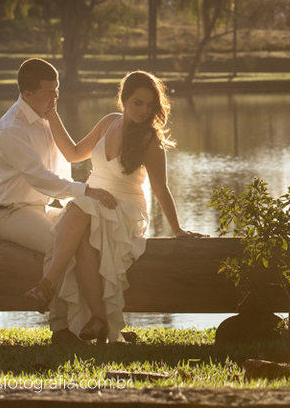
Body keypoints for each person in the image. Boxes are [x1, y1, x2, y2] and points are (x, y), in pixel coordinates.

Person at [22, 70, 201, 344]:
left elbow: (160, 188)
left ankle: (48, 283)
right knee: (81, 234)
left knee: (79, 207)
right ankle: (98, 319)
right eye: (137, 103)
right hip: (94, 202)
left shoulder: (150, 140)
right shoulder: (108, 123)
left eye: (149, 105)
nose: (143, 111)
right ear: (124, 99)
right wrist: (52, 114)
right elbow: (72, 153)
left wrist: (177, 229)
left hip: (125, 208)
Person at [0, 58, 117, 343]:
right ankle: (60, 329)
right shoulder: (12, 128)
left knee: (82, 237)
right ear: (27, 94)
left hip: (40, 208)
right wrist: (86, 191)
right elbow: (40, 178)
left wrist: (74, 203)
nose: (56, 97)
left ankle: (95, 321)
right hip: (7, 212)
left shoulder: (46, 118)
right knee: (57, 243)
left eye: (57, 91)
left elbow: (63, 165)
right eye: (50, 92)